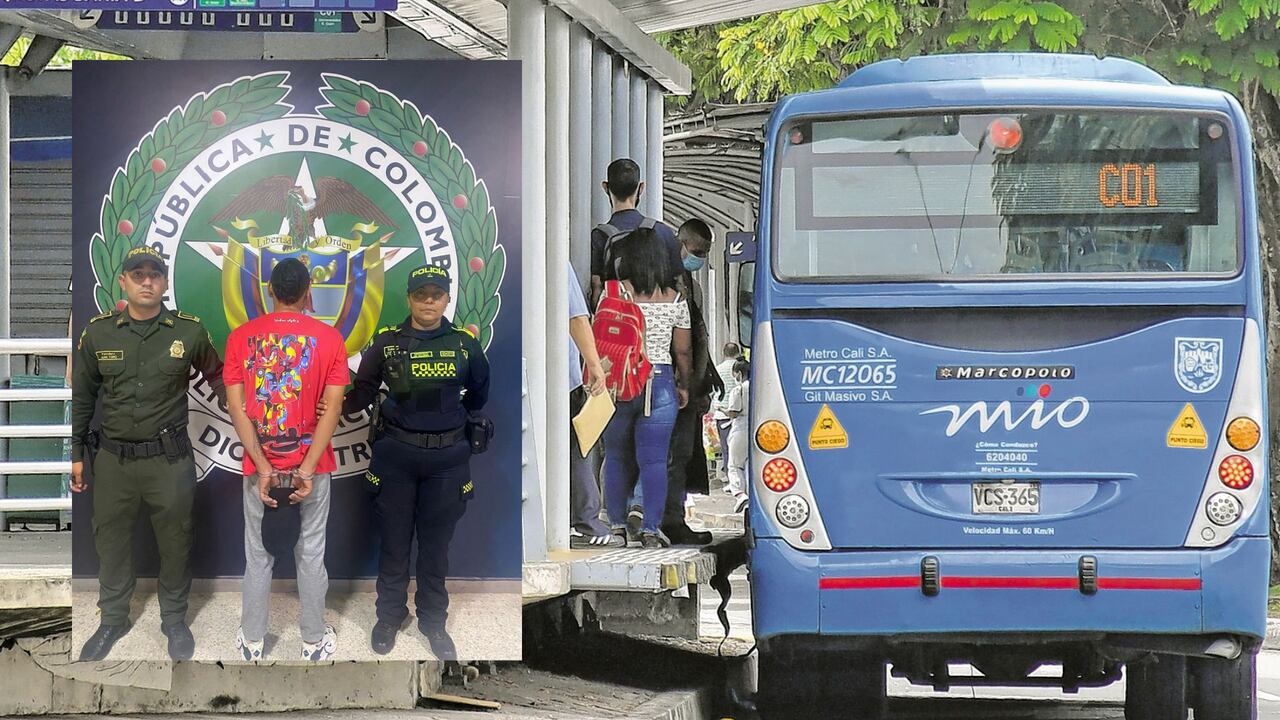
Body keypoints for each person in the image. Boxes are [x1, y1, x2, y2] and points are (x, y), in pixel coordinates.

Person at [70, 246, 225, 662]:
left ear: (165, 282)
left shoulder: (188, 332)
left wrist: (253, 413)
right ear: (123, 281)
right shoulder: (98, 333)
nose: (146, 282)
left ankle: (173, 620)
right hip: (114, 461)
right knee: (111, 543)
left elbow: (220, 378)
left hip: (168, 462)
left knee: (176, 542)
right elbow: (83, 396)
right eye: (137, 275)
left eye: (154, 275)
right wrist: (76, 452)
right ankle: (112, 620)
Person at [343, 264, 491, 659]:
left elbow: (478, 395)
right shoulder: (387, 342)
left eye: (436, 295)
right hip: (396, 457)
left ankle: (433, 622)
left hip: (447, 461)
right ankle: (389, 617)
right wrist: (327, 405)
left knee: (435, 548)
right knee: (394, 545)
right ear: (409, 298)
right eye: (421, 294)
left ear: (447, 299)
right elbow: (362, 392)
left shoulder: (464, 345)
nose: (429, 302)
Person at [223, 258, 349, 662]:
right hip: (312, 468)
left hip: (259, 468)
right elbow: (332, 409)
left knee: (258, 554)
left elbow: (237, 407)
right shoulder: (330, 339)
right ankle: (313, 641)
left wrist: (263, 468)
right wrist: (306, 470)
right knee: (311, 553)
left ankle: (252, 641)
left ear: (270, 290)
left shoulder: (240, 337)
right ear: (308, 292)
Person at [601, 229, 691, 548]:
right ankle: (651, 529)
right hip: (659, 382)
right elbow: (682, 351)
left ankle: (616, 528)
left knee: (615, 455)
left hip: (619, 381)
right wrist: (684, 385)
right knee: (653, 461)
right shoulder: (675, 299)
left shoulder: (613, 293)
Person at [661, 219, 722, 546]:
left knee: (681, 454)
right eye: (696, 250)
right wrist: (684, 382)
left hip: (687, 386)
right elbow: (681, 343)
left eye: (704, 253)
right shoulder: (663, 281)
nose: (699, 258)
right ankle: (668, 519)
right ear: (680, 242)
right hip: (671, 383)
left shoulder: (691, 285)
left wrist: (704, 381)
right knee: (671, 455)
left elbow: (698, 336)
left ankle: (673, 516)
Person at [567, 262, 620, 548]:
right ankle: (587, 522)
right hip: (560, 380)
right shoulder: (553, 258)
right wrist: (595, 365)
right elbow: (576, 317)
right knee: (579, 448)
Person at [589, 158, 682, 308]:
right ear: (641, 188)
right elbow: (679, 284)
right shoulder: (663, 232)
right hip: (661, 320)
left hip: (619, 319)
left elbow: (596, 288)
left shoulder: (599, 236)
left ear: (605, 187)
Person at [712, 343, 742, 487]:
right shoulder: (740, 369)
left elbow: (714, 391)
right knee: (739, 448)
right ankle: (740, 476)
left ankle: (730, 477)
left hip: (722, 414)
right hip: (740, 413)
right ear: (738, 353)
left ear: (723, 353)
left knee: (726, 447)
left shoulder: (717, 369)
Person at [724, 359, 751, 514]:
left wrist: (724, 410)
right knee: (749, 464)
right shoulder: (760, 388)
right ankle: (750, 494)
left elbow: (734, 412)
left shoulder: (739, 389)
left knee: (734, 465)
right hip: (757, 430)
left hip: (740, 430)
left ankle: (740, 494)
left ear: (739, 374)